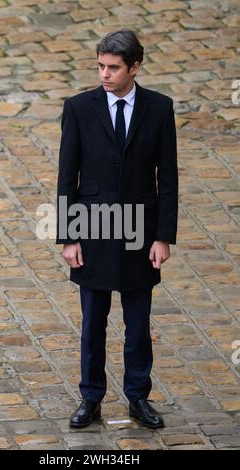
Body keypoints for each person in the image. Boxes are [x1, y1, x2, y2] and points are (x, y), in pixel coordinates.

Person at [56, 29, 178, 429]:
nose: (104, 75)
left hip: (140, 235)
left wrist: (162, 236)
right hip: (92, 230)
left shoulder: (159, 108)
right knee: (93, 324)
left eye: (113, 68)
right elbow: (66, 177)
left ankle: (138, 397)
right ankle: (90, 399)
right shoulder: (78, 108)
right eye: (100, 66)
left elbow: (169, 177)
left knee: (138, 326)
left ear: (134, 67)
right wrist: (69, 235)